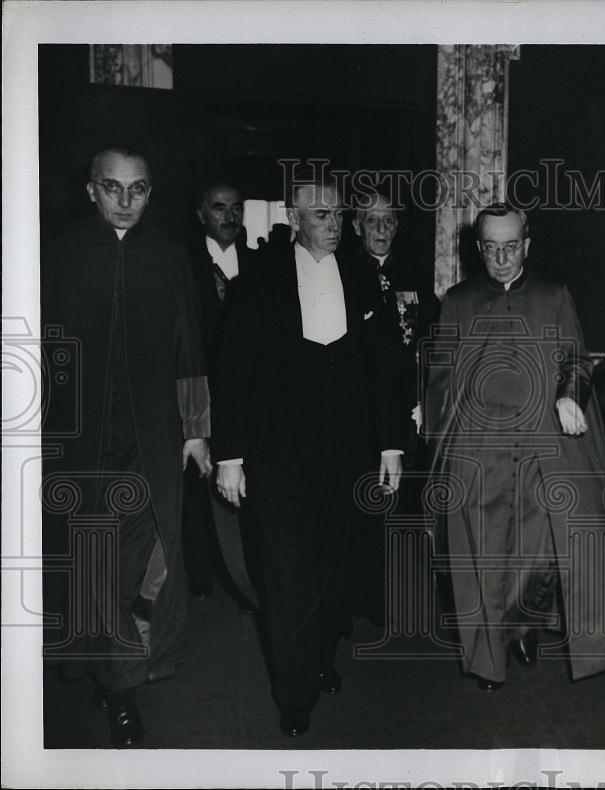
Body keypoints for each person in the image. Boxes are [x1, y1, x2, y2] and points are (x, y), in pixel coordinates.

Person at [424, 203, 605, 691]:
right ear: (478, 248)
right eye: (491, 248)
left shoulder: (553, 296)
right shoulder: (458, 300)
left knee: (541, 547)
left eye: (511, 247)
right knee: (482, 553)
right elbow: (441, 377)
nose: (501, 258)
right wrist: (431, 430)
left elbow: (576, 359)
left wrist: (571, 395)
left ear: (527, 245)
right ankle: (488, 660)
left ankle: (525, 621)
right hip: (478, 444)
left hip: (540, 440)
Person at [212, 173, 405, 737]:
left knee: (333, 564)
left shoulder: (364, 277)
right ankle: (293, 693)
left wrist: (391, 444)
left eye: (339, 215)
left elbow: (385, 370)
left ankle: (320, 658)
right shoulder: (260, 278)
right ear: (293, 220)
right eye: (320, 215)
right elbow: (233, 371)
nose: (334, 224)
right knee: (286, 570)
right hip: (278, 456)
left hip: (347, 454)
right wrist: (230, 455)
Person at [42, 145, 210, 746]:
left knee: (151, 557)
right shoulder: (58, 255)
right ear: (91, 190)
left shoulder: (168, 259)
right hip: (80, 443)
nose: (125, 202)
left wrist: (195, 431)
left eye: (138, 190)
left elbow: (190, 349)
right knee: (91, 560)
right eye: (112, 188)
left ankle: (120, 665)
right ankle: (120, 691)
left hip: (152, 442)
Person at [349, 190, 439, 625]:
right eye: (371, 220)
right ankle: (361, 598)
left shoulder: (416, 276)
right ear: (356, 227)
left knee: (406, 503)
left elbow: (433, 338)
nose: (381, 229)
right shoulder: (342, 274)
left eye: (388, 221)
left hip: (408, 410)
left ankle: (399, 600)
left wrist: (425, 396)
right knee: (363, 504)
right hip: (360, 411)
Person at [182, 177, 259, 604]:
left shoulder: (261, 262)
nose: (229, 217)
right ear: (200, 215)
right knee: (198, 484)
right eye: (218, 208)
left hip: (245, 393)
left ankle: (246, 576)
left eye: (236, 207)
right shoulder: (184, 264)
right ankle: (201, 578)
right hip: (198, 389)